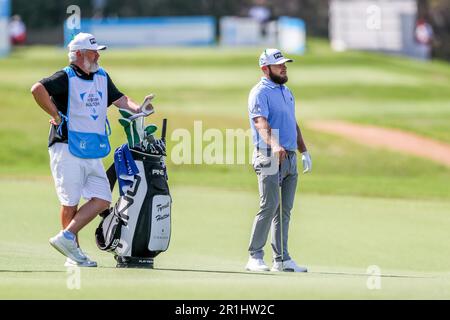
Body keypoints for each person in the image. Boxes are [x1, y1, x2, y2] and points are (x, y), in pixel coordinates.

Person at [30, 32, 150, 267]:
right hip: (66, 147)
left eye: (98, 52)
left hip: (92, 149)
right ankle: (73, 255)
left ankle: (66, 238)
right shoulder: (64, 77)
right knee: (70, 202)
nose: (98, 56)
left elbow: (120, 99)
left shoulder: (101, 76)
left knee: (103, 199)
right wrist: (55, 115)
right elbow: (37, 89)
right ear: (78, 55)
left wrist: (139, 108)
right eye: (93, 52)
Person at [246, 48, 312, 272]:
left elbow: (293, 123)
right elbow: (260, 123)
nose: (284, 68)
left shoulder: (286, 91)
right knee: (269, 205)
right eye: (279, 65)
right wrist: (274, 144)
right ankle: (254, 256)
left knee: (284, 210)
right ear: (266, 69)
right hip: (268, 155)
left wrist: (304, 151)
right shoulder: (259, 92)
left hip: (290, 156)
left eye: (285, 64)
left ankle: (281, 259)